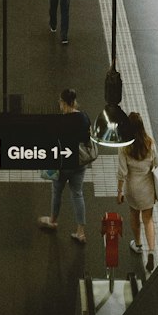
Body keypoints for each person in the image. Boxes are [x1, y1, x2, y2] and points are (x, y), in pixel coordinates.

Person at [38, 88, 92, 243]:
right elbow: (87, 137)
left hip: (62, 164)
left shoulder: (59, 121)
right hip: (79, 163)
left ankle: (53, 220)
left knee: (57, 192)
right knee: (77, 194)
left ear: (63, 103)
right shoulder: (83, 117)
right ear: (74, 102)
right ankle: (80, 231)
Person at [117, 111, 158, 273]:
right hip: (147, 187)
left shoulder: (124, 147)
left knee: (134, 216)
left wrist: (119, 191)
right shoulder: (150, 143)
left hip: (132, 189)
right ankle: (151, 251)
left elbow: (122, 172)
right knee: (148, 219)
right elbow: (156, 164)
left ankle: (138, 245)